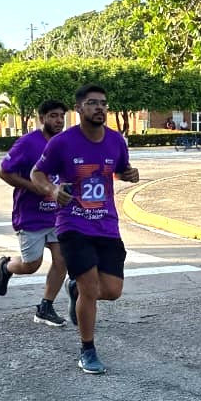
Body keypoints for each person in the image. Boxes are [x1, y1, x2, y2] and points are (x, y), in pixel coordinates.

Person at [30, 84, 140, 375]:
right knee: (91, 289)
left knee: (112, 291)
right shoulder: (62, 143)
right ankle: (87, 350)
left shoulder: (116, 140)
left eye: (103, 103)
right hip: (73, 223)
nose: (99, 107)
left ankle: (75, 288)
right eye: (92, 103)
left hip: (106, 224)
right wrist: (53, 190)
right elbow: (37, 173)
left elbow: (120, 169)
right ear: (79, 109)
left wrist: (129, 174)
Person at [0, 98, 70, 326]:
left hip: (56, 214)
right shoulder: (28, 143)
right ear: (42, 118)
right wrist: (34, 187)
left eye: (61, 116)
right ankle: (6, 266)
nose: (59, 121)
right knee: (31, 265)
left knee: (62, 260)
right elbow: (4, 172)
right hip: (30, 215)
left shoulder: (65, 142)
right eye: (53, 116)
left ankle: (45, 307)